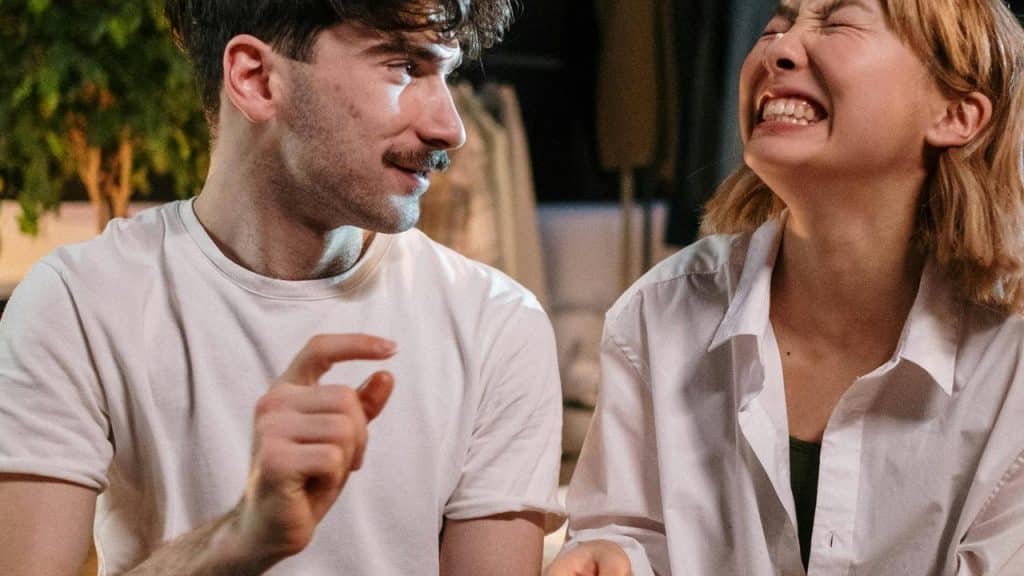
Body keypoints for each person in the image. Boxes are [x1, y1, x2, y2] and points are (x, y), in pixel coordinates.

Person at [0, 1, 564, 574]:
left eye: (446, 73)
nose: (451, 127)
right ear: (256, 79)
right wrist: (238, 539)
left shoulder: (497, 324)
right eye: (402, 67)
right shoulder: (77, 302)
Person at [547, 0, 1024, 574]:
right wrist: (613, 556)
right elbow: (628, 530)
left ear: (956, 115)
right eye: (776, 26)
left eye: (840, 21)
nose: (778, 48)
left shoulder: (1012, 358)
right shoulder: (659, 311)